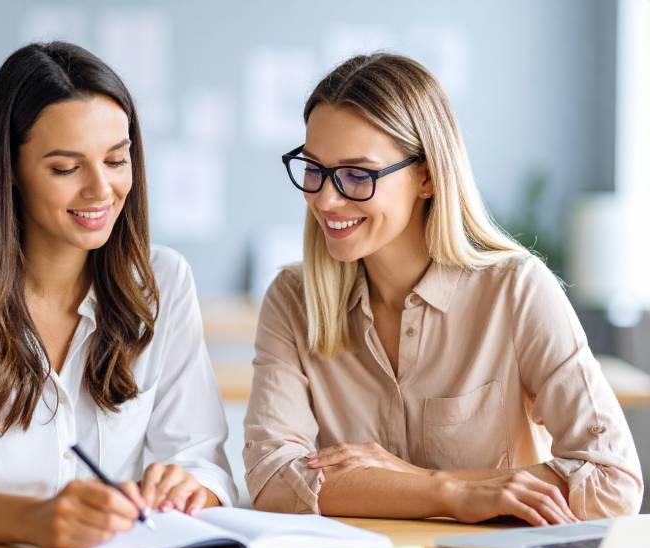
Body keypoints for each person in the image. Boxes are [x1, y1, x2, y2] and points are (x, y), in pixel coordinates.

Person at [0, 41, 236, 548]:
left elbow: (201, 459)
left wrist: (191, 486)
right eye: (66, 168)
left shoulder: (163, 281)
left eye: (116, 160)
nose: (101, 190)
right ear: (10, 168)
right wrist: (34, 520)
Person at [243, 53, 642, 524]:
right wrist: (445, 491)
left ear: (427, 176)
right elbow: (272, 479)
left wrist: (402, 481)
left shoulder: (515, 290)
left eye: (357, 175)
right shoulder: (294, 299)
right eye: (314, 169)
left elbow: (610, 481)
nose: (325, 199)